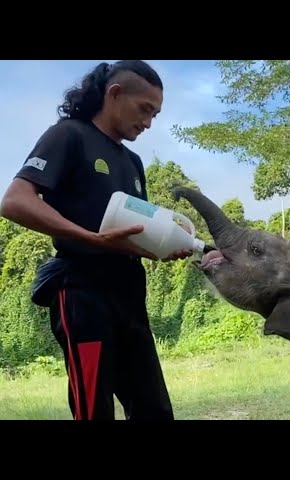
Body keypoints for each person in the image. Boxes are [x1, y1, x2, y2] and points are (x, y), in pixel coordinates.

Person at [0, 60, 191, 420]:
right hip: (81, 293)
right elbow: (15, 201)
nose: (149, 123)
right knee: (93, 409)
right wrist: (90, 238)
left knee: (154, 409)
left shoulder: (133, 162)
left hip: (129, 295)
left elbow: (134, 232)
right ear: (115, 94)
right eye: (144, 109)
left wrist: (162, 248)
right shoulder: (69, 135)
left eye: (156, 114)